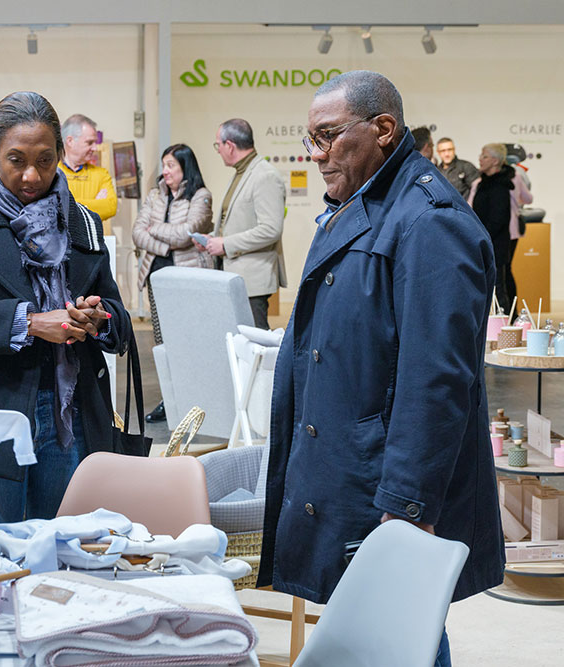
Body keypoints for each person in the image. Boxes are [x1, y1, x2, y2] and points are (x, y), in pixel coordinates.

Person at [259, 71, 502, 667]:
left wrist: (406, 512)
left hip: (386, 491)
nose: (316, 156)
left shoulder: (430, 222)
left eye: (328, 137)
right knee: (377, 634)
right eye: (309, 141)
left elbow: (436, 382)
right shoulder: (363, 205)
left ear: (383, 130)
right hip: (353, 469)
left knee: (401, 634)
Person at [0, 91, 132, 544]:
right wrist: (29, 322)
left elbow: (120, 322)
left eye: (45, 160)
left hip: (69, 417)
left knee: (59, 559)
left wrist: (99, 320)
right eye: (16, 160)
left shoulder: (82, 225)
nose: (32, 175)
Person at [131, 143, 212, 424]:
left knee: (187, 340)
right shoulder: (155, 195)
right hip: (156, 276)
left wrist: (158, 231)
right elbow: (137, 233)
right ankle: (171, 400)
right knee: (163, 341)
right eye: (164, 165)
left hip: (186, 279)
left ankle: (196, 402)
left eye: (171, 166)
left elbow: (185, 234)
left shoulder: (200, 196)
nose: (165, 171)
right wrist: (165, 244)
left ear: (184, 168)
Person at [199, 118, 287, 330]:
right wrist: (213, 238)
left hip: (252, 281)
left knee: (255, 346)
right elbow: (237, 221)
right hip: (236, 276)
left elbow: (271, 229)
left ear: (229, 145)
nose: (217, 150)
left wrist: (225, 244)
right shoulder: (241, 173)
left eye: (217, 145)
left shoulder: (265, 175)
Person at [467, 143, 532, 311]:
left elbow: (497, 219)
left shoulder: (501, 185)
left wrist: (480, 236)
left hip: (495, 243)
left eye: (485, 156)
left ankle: (506, 326)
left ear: (495, 161)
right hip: (485, 241)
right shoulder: (481, 183)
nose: (480, 159)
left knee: (499, 286)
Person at [58, 114, 117, 225]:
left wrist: (69, 204)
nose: (94, 148)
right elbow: (52, 208)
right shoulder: (53, 174)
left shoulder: (101, 174)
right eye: (89, 142)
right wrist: (95, 204)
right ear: (70, 141)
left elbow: (111, 207)